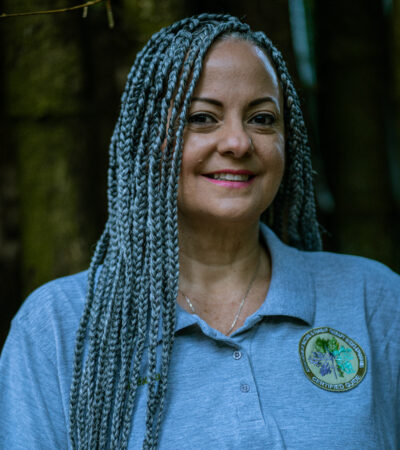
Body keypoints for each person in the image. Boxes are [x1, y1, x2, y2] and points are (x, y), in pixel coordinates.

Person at [0, 13, 399, 450]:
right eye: (203, 117)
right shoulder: (59, 326)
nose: (238, 142)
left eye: (262, 118)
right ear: (148, 141)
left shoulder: (375, 300)